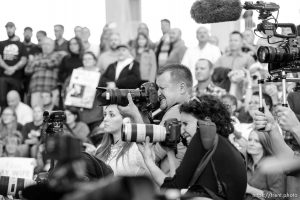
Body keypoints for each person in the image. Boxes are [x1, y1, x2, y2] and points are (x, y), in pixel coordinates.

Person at [138, 95, 247, 200]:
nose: (181, 131)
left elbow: (174, 188)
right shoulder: (222, 145)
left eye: (186, 124)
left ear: (206, 121)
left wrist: (149, 160)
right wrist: (168, 153)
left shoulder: (202, 134)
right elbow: (176, 184)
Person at [118, 64, 193, 173]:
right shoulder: (195, 107)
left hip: (171, 182)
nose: (158, 94)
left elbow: (151, 156)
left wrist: (134, 115)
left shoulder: (177, 111)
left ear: (181, 88)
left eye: (162, 88)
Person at [95, 105, 149, 176]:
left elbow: (153, 180)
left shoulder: (137, 149)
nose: (105, 119)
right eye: (105, 115)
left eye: (111, 115)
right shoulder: (100, 148)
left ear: (127, 120)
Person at [244, 130, 286, 200]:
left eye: (256, 141)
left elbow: (278, 197)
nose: (251, 143)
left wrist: (251, 190)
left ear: (264, 144)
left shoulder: (273, 167)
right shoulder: (245, 162)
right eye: (249, 140)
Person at [25, 37, 66, 107]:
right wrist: (41, 65)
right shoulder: (36, 56)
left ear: (53, 46)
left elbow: (52, 63)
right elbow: (27, 70)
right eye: (44, 44)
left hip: (50, 89)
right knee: (36, 114)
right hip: (35, 90)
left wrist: (36, 64)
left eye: (48, 44)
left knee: (50, 116)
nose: (46, 46)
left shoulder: (57, 55)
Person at [0, 22, 27, 107]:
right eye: (7, 28)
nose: (9, 30)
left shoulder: (21, 45)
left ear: (15, 28)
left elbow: (24, 59)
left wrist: (13, 68)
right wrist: (7, 68)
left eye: (11, 27)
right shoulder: (1, 44)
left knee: (15, 101)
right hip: (3, 77)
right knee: (2, 100)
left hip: (16, 78)